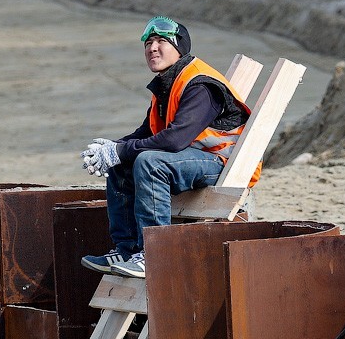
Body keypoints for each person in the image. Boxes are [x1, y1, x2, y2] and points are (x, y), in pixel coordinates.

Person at [80, 15, 259, 278]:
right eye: (148, 43)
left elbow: (175, 140)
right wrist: (111, 149)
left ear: (179, 48)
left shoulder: (200, 84)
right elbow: (146, 133)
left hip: (221, 163)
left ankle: (154, 253)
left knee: (149, 162)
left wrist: (120, 151)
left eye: (161, 41)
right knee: (122, 164)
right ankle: (127, 249)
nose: (152, 47)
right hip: (192, 161)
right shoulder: (168, 85)